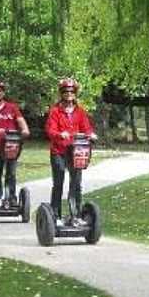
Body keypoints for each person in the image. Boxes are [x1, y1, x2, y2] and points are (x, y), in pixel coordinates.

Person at [45, 77, 97, 224]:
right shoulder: (55, 111)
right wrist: (59, 134)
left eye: (72, 91)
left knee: (76, 183)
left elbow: (86, 127)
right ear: (61, 93)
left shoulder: (79, 111)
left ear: (75, 93)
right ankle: (56, 216)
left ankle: (76, 215)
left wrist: (91, 134)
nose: (69, 94)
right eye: (66, 91)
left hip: (75, 152)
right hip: (59, 151)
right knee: (59, 181)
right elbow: (50, 129)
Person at [0, 80, 30, 206]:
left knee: (11, 173)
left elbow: (20, 120)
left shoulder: (12, 107)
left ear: (3, 92)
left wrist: (25, 130)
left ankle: (12, 197)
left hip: (12, 145)